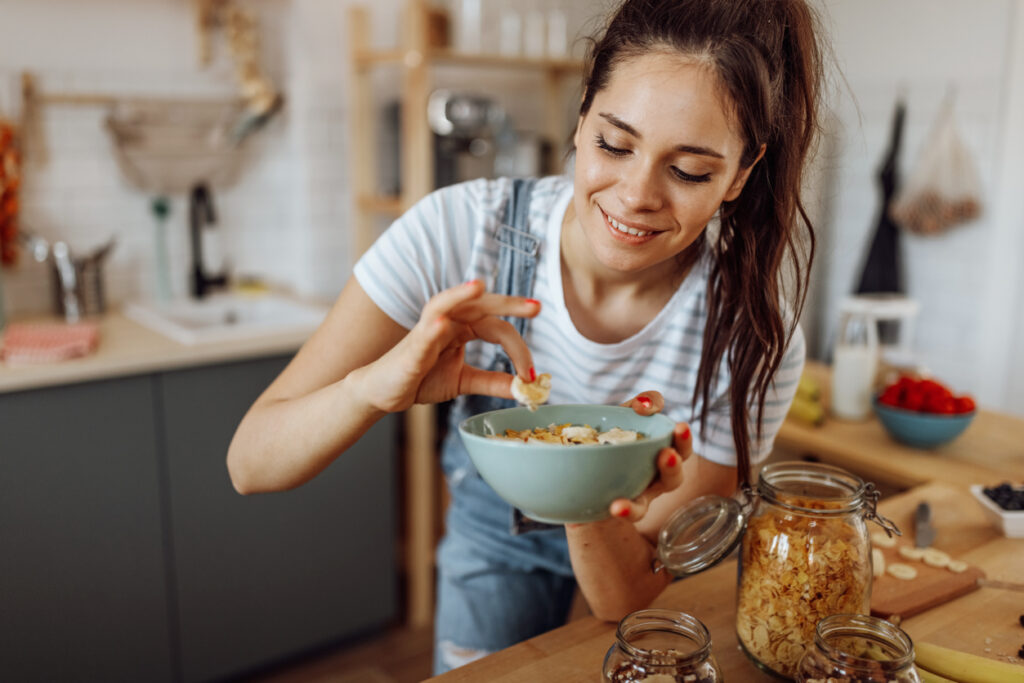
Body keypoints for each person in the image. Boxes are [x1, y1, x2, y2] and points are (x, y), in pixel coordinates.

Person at [227, 0, 824, 674]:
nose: (635, 195)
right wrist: (372, 388)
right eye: (614, 143)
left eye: (688, 171)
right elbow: (252, 463)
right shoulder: (460, 231)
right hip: (493, 543)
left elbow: (629, 592)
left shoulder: (750, 337)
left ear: (742, 174)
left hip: (620, 554)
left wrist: (585, 479)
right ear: (579, 119)